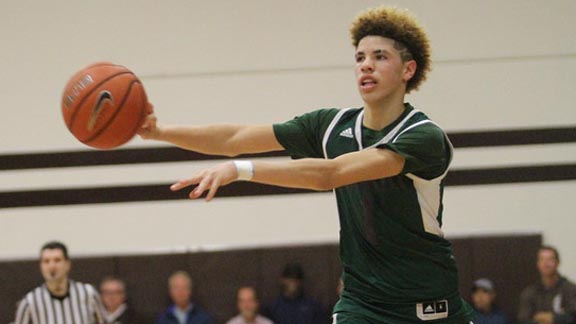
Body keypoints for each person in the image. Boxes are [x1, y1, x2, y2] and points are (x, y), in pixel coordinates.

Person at [138, 5, 473, 323]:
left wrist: (240, 170)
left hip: (429, 301)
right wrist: (160, 131)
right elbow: (234, 137)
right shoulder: (331, 125)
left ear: (408, 70)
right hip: (362, 303)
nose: (365, 65)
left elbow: (331, 174)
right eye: (359, 58)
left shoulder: (424, 137)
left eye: (379, 56)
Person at [13, 241, 106, 324]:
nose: (52, 266)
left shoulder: (88, 294)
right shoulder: (30, 302)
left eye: (57, 260)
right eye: (46, 261)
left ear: (67, 264)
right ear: (40, 266)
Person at [518, 245, 576, 324]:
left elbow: (573, 317)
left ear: (557, 262)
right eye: (542, 259)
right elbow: (523, 320)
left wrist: (554, 319)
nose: (546, 264)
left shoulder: (570, 289)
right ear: (538, 264)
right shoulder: (530, 292)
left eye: (550, 259)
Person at [263, 263, 328, 324]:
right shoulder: (272, 307)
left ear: (301, 282)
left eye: (296, 278)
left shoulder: (314, 307)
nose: (293, 282)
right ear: (282, 280)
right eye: (289, 278)